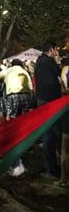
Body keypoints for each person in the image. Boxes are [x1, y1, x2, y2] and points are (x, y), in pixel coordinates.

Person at [0, 58, 33, 176]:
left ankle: (14, 158)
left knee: (11, 123)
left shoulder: (9, 70)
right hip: (27, 96)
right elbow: (31, 88)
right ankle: (22, 149)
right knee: (23, 123)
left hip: (14, 96)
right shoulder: (25, 71)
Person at [34, 41, 62, 178]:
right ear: (51, 50)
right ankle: (52, 167)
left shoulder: (39, 61)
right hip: (51, 100)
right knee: (52, 133)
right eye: (56, 49)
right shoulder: (49, 61)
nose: (57, 51)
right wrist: (57, 61)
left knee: (47, 131)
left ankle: (49, 164)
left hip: (41, 99)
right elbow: (60, 73)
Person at [60, 57, 69, 186]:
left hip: (67, 109)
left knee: (66, 147)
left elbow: (63, 90)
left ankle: (64, 179)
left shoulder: (66, 69)